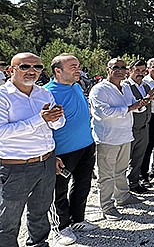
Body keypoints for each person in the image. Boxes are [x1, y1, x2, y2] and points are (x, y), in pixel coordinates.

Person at [0, 52, 65, 247]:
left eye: (37, 67)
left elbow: (56, 125)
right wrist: (41, 119)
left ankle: (39, 244)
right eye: (25, 67)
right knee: (7, 220)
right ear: (11, 70)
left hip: (45, 162)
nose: (32, 71)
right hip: (15, 168)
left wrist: (56, 118)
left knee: (40, 212)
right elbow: (2, 132)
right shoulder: (3, 96)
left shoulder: (43, 93)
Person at [44, 54, 97, 245]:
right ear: (58, 71)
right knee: (58, 190)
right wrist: (52, 154)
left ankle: (78, 220)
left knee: (83, 185)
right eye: (73, 66)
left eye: (78, 66)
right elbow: (44, 128)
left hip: (86, 145)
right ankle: (60, 227)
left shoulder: (76, 85)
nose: (78, 69)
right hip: (63, 151)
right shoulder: (47, 93)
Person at [89, 58, 148, 221]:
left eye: (123, 67)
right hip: (108, 137)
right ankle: (107, 206)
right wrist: (131, 108)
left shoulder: (126, 88)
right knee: (106, 174)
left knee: (121, 170)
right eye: (116, 67)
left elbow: (133, 107)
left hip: (125, 135)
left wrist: (143, 103)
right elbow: (103, 113)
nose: (120, 70)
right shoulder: (99, 89)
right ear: (108, 69)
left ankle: (123, 196)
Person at [123, 60, 154, 194]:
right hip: (131, 127)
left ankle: (134, 182)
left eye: (143, 71)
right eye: (137, 70)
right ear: (130, 70)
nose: (140, 74)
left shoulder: (146, 86)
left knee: (139, 157)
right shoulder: (126, 86)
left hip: (144, 126)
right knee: (125, 158)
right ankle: (122, 187)